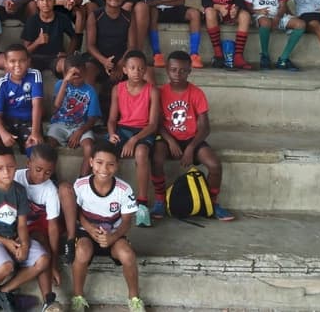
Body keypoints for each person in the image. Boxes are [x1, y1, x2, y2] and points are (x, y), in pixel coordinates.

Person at [151, 51, 234, 222]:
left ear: (190, 71)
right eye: (173, 69)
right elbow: (157, 124)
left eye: (182, 70)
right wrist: (170, 140)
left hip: (191, 138)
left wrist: (191, 146)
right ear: (167, 69)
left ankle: (211, 204)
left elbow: (205, 127)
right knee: (157, 159)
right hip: (167, 137)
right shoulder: (160, 93)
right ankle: (160, 200)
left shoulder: (196, 93)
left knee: (215, 165)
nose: (177, 74)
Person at [69, 141, 145, 312]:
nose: (104, 169)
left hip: (114, 235)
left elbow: (126, 222)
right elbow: (76, 212)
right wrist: (88, 228)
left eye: (110, 164)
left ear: (117, 166)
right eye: (99, 163)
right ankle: (78, 297)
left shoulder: (124, 190)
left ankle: (134, 298)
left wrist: (113, 236)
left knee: (127, 255)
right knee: (82, 252)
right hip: (87, 233)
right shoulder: (80, 186)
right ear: (90, 162)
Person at [0, 146, 50, 312]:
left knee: (43, 260)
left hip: (13, 237)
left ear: (16, 166)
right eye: (0, 168)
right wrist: (5, 242)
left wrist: (25, 244)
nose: (6, 172)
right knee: (6, 266)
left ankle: (4, 291)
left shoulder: (19, 190)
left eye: (10, 167)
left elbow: (22, 224)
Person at [106, 50, 160, 227]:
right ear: (125, 70)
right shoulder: (118, 89)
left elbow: (153, 124)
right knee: (105, 151)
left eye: (141, 68)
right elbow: (112, 119)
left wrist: (134, 140)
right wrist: (112, 133)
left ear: (145, 71)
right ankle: (103, 194)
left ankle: (142, 203)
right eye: (132, 68)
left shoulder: (152, 91)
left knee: (142, 152)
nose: (137, 71)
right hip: (122, 129)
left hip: (143, 131)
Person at [13, 144, 69, 312]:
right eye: (38, 169)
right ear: (28, 163)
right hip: (14, 224)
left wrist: (54, 263)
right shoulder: (15, 178)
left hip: (38, 227)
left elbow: (52, 228)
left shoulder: (50, 190)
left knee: (42, 244)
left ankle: (48, 300)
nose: (42, 176)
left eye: (48, 172)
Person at [0, 44, 45, 172]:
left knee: (35, 147)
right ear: (5, 63)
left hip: (29, 122)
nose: (17, 65)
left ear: (28, 61)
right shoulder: (2, 83)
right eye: (12, 61)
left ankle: (37, 183)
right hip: (7, 122)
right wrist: (3, 133)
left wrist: (35, 131)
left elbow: (37, 104)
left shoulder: (34, 75)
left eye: (22, 60)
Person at [245, 0, 306, 70]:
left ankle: (283, 59)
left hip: (278, 15)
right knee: (265, 22)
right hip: (261, 16)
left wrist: (277, 17)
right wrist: (258, 11)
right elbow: (248, 6)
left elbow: (283, 5)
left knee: (300, 24)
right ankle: (264, 55)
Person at [47, 54, 101, 177]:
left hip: (80, 126)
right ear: (65, 73)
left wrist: (80, 132)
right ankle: (51, 176)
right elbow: (56, 106)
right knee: (49, 144)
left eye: (80, 76)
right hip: (59, 123)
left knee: (89, 147)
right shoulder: (60, 85)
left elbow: (93, 118)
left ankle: (82, 180)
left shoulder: (90, 91)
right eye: (72, 75)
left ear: (86, 73)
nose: (76, 79)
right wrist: (65, 81)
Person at [85, 0, 142, 85]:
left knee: (143, 72)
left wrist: (121, 64)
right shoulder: (95, 16)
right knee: (88, 71)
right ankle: (90, 101)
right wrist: (104, 61)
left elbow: (132, 45)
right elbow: (90, 45)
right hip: (99, 58)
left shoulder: (129, 17)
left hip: (122, 58)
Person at [21, 0, 77, 76]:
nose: (45, 3)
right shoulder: (32, 21)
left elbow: (74, 38)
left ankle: (66, 90)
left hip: (56, 58)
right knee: (24, 66)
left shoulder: (62, 18)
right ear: (37, 3)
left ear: (54, 2)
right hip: (35, 58)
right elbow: (25, 51)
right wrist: (38, 42)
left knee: (67, 66)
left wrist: (68, 54)